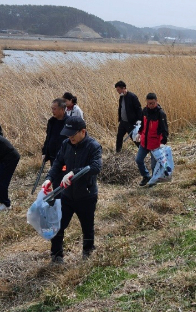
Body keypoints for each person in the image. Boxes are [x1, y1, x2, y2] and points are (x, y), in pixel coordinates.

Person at [40, 116, 102, 263]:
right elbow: (57, 163)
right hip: (66, 195)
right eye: (68, 134)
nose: (70, 137)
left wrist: (74, 172)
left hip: (86, 195)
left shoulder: (93, 146)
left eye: (73, 134)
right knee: (58, 225)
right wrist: (49, 178)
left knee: (87, 226)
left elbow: (96, 167)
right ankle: (56, 255)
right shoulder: (66, 144)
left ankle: (88, 250)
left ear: (83, 132)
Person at [134, 93, 169, 187]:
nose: (151, 105)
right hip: (144, 142)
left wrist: (163, 143)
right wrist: (139, 133)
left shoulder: (161, 114)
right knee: (138, 160)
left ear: (156, 101)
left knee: (154, 165)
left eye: (153, 103)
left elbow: (165, 130)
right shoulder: (145, 110)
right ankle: (146, 176)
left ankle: (154, 180)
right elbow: (142, 124)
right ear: (146, 102)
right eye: (149, 103)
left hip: (155, 144)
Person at [114, 81, 142, 152]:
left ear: (123, 88)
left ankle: (143, 152)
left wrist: (139, 122)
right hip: (123, 122)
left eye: (118, 90)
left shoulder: (132, 97)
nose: (118, 92)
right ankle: (118, 152)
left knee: (135, 139)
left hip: (131, 122)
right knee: (119, 137)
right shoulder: (121, 97)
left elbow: (139, 109)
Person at [41, 98, 68, 165]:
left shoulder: (69, 122)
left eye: (54, 109)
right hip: (53, 156)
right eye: (52, 109)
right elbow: (48, 138)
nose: (52, 111)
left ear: (62, 109)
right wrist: (45, 152)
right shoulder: (51, 121)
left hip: (65, 157)